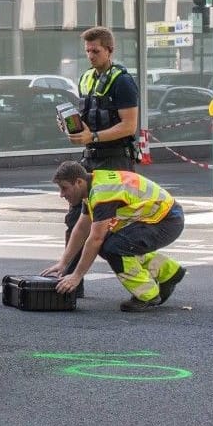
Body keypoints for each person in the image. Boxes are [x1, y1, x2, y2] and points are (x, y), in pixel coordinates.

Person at [43, 161, 186, 312]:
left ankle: (147, 294)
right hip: (160, 218)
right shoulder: (93, 185)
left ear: (78, 182)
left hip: (166, 221)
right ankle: (169, 272)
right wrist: (63, 263)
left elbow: (95, 238)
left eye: (64, 188)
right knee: (114, 245)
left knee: (114, 247)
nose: (61, 194)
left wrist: (77, 276)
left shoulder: (102, 194)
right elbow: (81, 229)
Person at [59, 26, 140, 282]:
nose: (91, 56)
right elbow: (86, 119)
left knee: (116, 228)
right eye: (87, 51)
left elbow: (129, 125)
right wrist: (71, 126)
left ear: (109, 50)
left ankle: (149, 281)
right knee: (75, 218)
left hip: (116, 160)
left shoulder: (123, 82)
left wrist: (92, 136)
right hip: (91, 157)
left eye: (96, 51)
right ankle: (69, 281)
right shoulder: (86, 79)